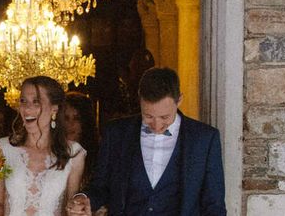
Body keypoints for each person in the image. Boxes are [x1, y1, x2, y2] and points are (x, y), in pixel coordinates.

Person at [66, 67, 226, 216]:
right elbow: (100, 187)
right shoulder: (116, 133)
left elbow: (214, 206)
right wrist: (84, 198)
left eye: (165, 117)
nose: (157, 125)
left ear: (179, 101)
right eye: (148, 116)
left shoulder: (204, 139)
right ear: (140, 101)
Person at [0, 76, 86, 216]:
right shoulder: (2, 149)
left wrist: (79, 210)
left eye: (36, 102)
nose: (27, 108)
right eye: (23, 101)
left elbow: (71, 208)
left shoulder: (74, 153)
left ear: (54, 109)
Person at [62, 92, 98, 187]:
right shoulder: (52, 152)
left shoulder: (97, 157)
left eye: (76, 118)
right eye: (66, 118)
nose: (71, 124)